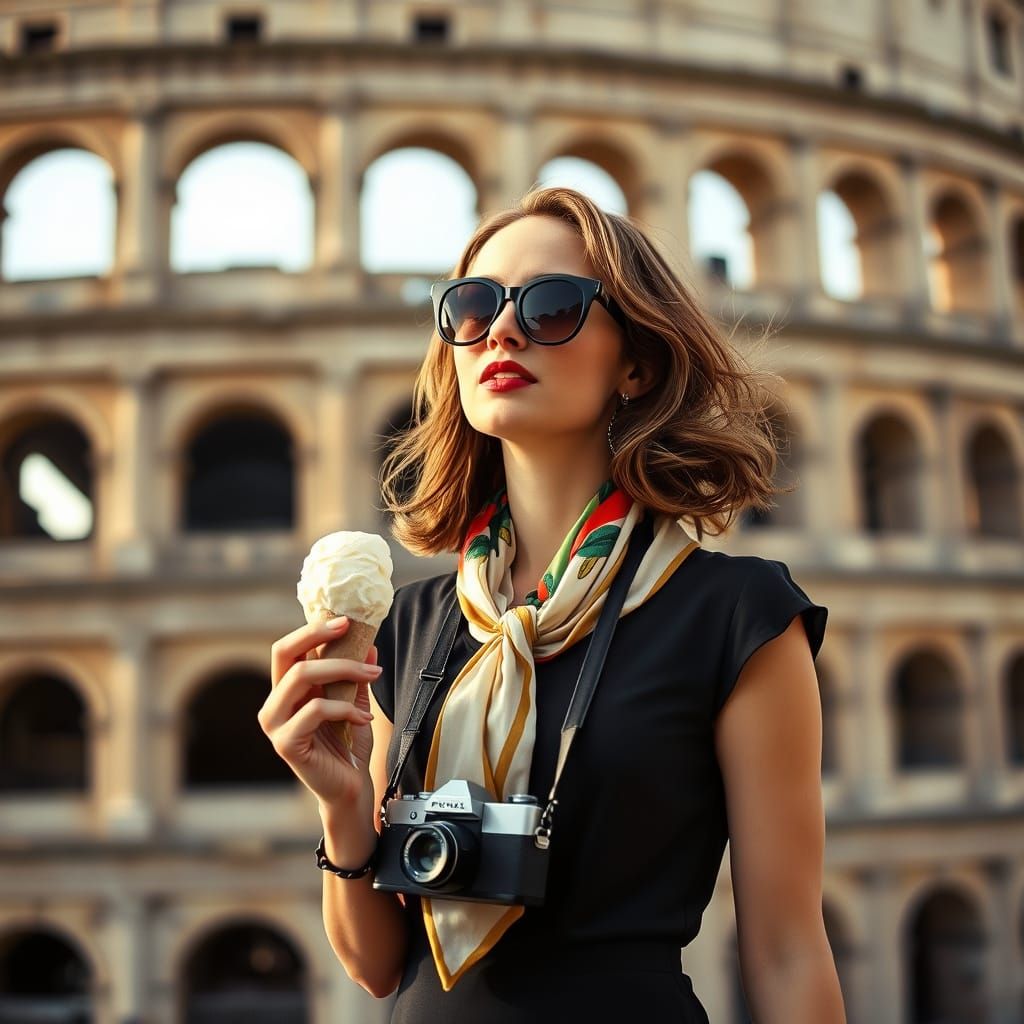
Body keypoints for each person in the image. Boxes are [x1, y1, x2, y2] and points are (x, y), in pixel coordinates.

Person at [260, 186, 847, 1023]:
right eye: (472, 305)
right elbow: (379, 964)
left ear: (635, 361)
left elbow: (788, 951)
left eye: (552, 306)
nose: (501, 330)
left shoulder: (736, 617)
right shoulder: (417, 623)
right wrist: (343, 799)